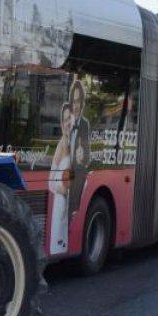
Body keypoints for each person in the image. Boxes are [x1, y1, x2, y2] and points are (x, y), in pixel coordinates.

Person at [48, 103, 74, 255]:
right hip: (60, 202)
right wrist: (62, 190)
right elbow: (50, 182)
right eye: (65, 120)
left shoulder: (75, 144)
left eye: (70, 119)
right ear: (61, 123)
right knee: (58, 243)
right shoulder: (60, 146)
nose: (67, 123)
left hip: (69, 203)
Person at [67, 78, 92, 215]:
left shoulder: (85, 124)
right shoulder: (65, 122)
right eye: (73, 101)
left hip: (76, 180)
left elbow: (87, 157)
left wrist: (82, 157)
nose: (75, 106)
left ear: (82, 103)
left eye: (78, 102)